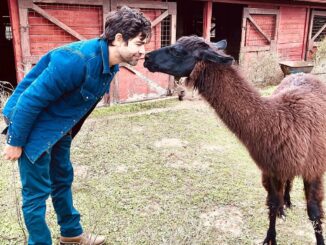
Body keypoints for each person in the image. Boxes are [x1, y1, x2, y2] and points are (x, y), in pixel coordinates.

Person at [2, 6, 151, 245]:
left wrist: (68, 135)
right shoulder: (76, 60)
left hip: (59, 125)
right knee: (36, 193)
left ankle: (71, 234)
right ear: (119, 39)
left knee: (62, 178)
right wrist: (15, 141)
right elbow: (30, 101)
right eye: (138, 44)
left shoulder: (109, 66)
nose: (143, 51)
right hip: (31, 125)